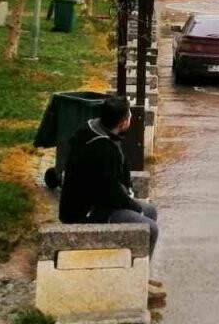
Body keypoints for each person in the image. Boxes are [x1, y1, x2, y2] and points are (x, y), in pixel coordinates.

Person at [59, 96, 160, 255]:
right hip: (86, 212)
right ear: (123, 123)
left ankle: (134, 258)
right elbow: (111, 193)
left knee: (151, 211)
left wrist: (130, 196)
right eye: (128, 115)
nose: (131, 118)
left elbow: (117, 176)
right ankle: (138, 269)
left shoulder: (94, 129)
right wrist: (134, 207)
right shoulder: (102, 149)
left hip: (94, 200)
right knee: (151, 228)